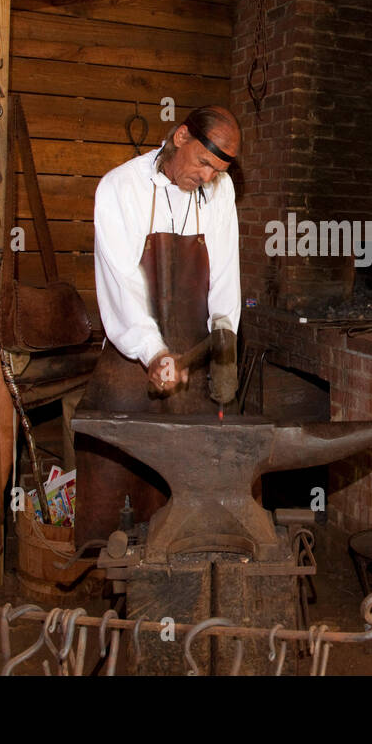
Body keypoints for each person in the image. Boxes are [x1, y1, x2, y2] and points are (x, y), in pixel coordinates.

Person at [74, 106, 242, 543]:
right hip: (132, 354)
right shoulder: (120, 188)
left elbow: (225, 275)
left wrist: (224, 342)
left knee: (205, 473)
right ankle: (106, 574)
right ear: (181, 136)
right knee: (113, 466)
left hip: (194, 353)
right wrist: (154, 351)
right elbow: (122, 284)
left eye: (218, 170)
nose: (208, 177)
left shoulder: (220, 192)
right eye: (204, 163)